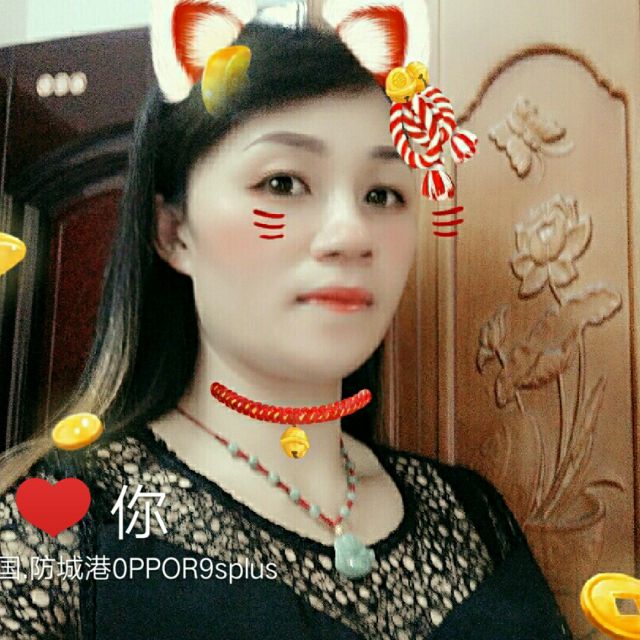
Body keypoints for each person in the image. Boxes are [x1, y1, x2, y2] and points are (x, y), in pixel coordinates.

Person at [0, 4, 572, 639]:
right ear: (173, 231)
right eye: (282, 184)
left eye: (382, 194)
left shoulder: (475, 517)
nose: (351, 235)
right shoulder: (60, 526)